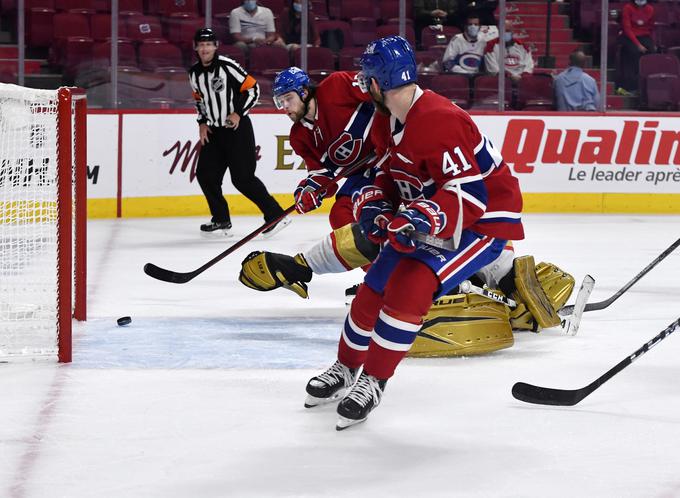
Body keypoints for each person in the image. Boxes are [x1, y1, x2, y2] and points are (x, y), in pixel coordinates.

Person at [305, 35, 525, 430]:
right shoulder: (386, 120)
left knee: (411, 283)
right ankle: (346, 367)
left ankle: (373, 380)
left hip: (483, 221)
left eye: (365, 78)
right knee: (375, 284)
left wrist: (422, 217)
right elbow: (388, 176)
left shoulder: (439, 119)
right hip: (431, 213)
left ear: (376, 84)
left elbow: (469, 195)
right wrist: (375, 205)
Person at [188, 28, 289, 237]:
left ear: (215, 46)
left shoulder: (227, 66)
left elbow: (253, 89)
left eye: (208, 44)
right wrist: (202, 122)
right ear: (196, 47)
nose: (205, 48)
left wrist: (238, 113)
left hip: (237, 129)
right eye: (201, 44)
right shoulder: (194, 73)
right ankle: (221, 220)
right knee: (206, 175)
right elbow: (199, 100)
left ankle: (275, 214)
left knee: (243, 178)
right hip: (214, 132)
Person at [616, 0, 655, 96]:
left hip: (644, 36)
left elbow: (650, 28)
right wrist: (638, 44)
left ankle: (648, 87)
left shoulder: (650, 9)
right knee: (633, 52)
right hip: (629, 36)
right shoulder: (627, 8)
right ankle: (630, 87)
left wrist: (650, 43)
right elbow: (627, 29)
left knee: (652, 52)